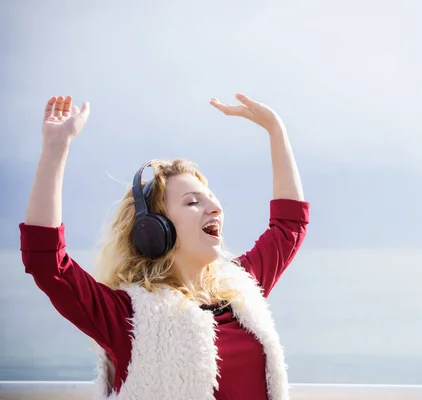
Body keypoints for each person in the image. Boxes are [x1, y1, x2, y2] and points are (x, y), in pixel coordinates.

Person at [19, 93, 309, 400]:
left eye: (212, 199)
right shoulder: (129, 317)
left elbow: (289, 226)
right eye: (193, 202)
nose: (214, 209)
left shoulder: (242, 287)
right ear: (155, 230)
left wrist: (276, 130)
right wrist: (56, 147)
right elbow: (47, 263)